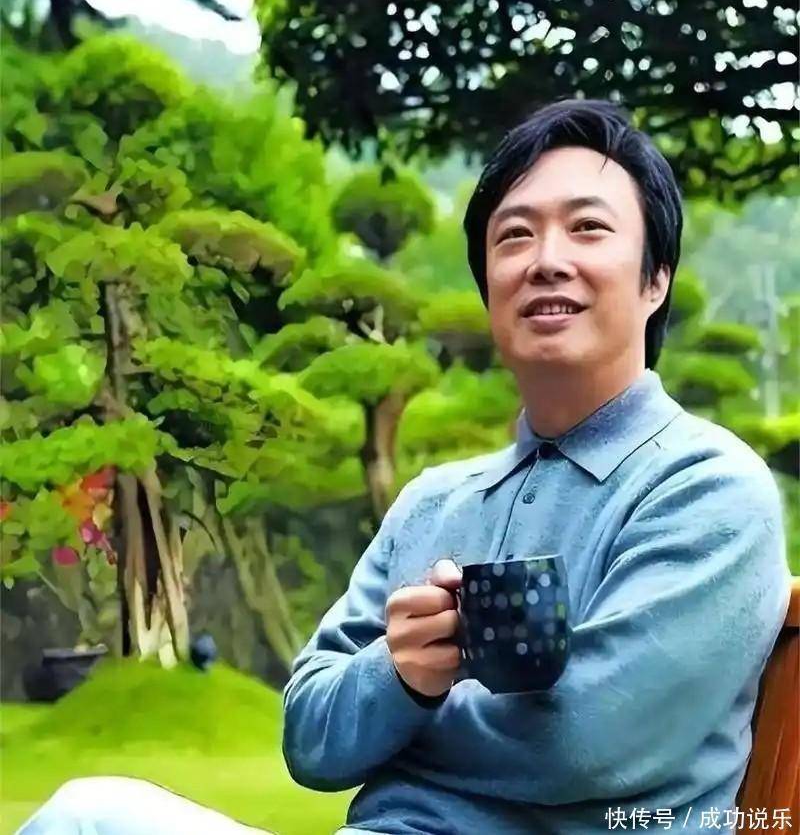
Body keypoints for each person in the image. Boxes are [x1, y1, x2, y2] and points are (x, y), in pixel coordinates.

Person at [17, 99, 792, 835]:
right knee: (89, 814)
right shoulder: (434, 504)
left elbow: (586, 740)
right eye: (514, 236)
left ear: (655, 279)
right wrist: (399, 675)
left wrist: (399, 719)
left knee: (90, 818)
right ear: (487, 286)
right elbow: (309, 736)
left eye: (588, 228)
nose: (546, 260)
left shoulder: (707, 489)